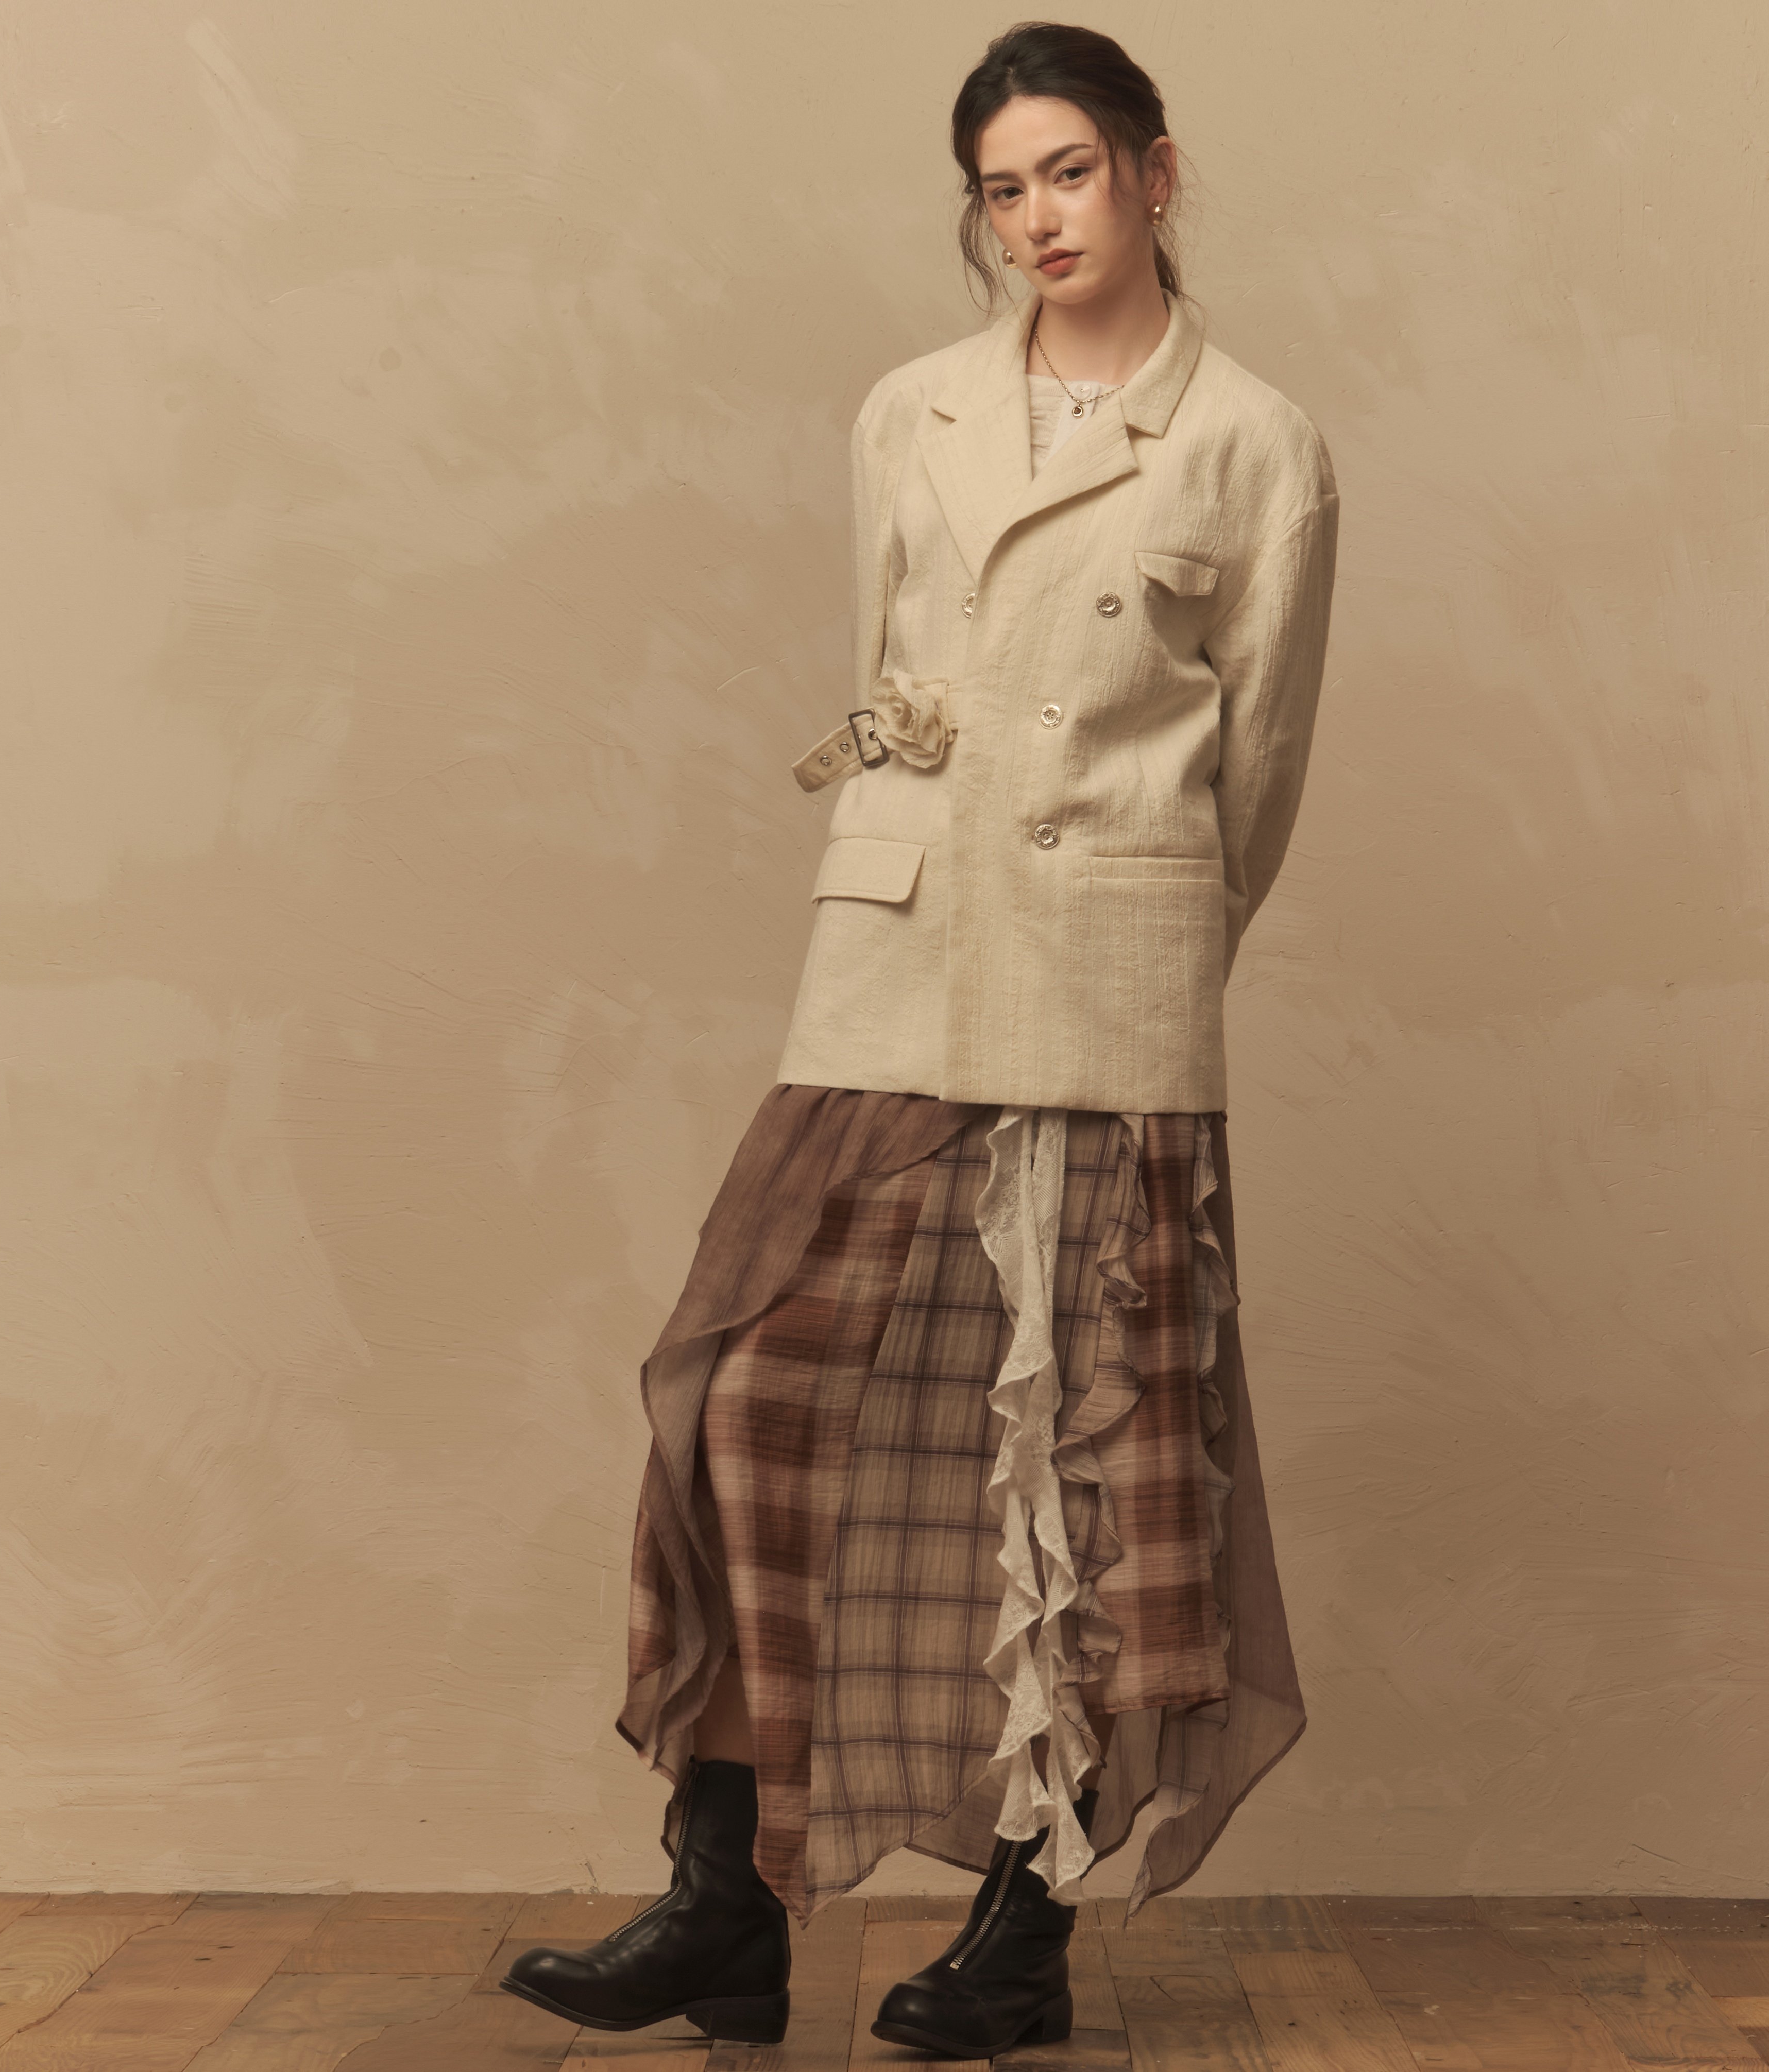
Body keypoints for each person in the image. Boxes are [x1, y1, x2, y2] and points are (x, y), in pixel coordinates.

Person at [502, 19, 1339, 2059]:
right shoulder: (912, 411)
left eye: (1070, 170)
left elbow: (1259, 775)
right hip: (895, 953)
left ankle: (1022, 1934)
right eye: (1000, 187)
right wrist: (911, 821)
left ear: (1155, 171)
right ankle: (724, 1901)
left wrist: (1132, 925)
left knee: (1081, 1458)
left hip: (1107, 977)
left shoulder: (1255, 443)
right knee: (746, 1390)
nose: (1037, 217)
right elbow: (891, 670)